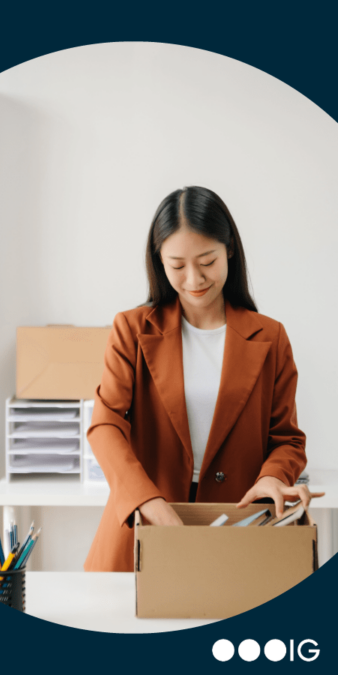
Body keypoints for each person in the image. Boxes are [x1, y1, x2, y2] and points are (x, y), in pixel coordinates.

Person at [83, 186, 324, 572]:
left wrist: (272, 478)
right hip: (144, 525)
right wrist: (145, 500)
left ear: (229, 248)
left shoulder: (270, 337)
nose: (193, 278)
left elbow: (287, 439)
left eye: (207, 261)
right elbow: (105, 424)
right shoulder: (131, 329)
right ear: (159, 262)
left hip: (235, 527)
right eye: (177, 266)